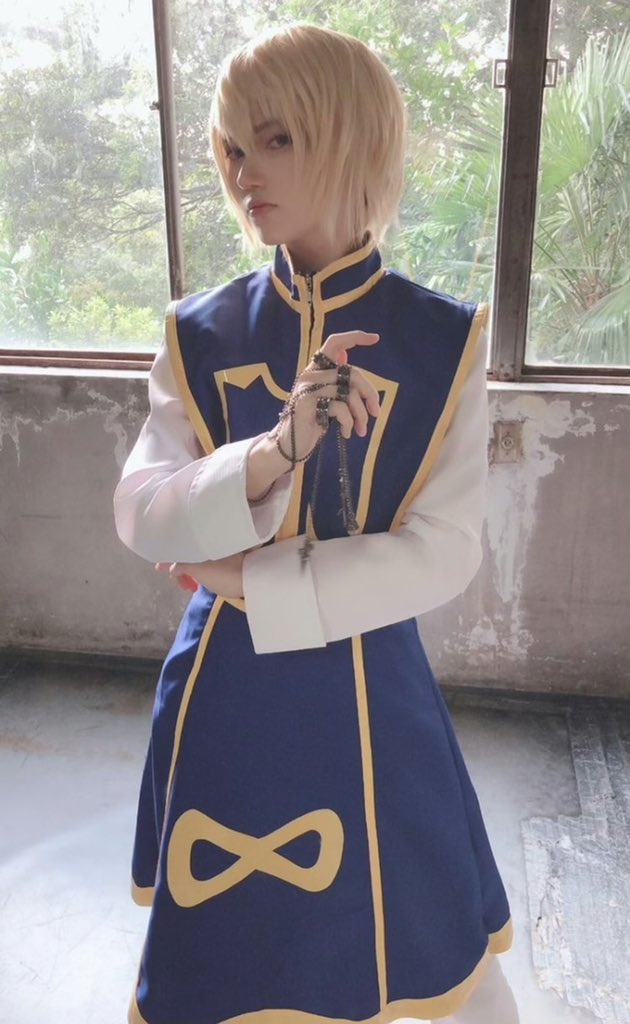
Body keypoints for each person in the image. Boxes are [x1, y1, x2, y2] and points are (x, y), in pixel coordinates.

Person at [113, 21, 519, 1024]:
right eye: (233, 147)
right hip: (223, 692)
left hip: (373, 689)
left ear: (354, 139)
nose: (244, 172)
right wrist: (271, 452)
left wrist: (251, 582)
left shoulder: (446, 339)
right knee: (229, 966)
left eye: (278, 138)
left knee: (413, 953)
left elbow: (445, 549)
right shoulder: (196, 331)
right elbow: (142, 511)